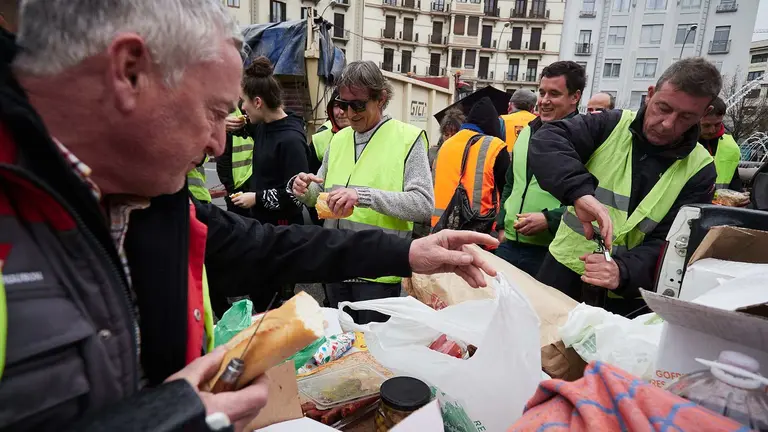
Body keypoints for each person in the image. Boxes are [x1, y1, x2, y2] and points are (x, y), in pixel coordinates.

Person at [0, 1, 500, 430]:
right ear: (129, 71)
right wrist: (169, 415)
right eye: (214, 111)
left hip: (377, 276)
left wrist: (408, 249)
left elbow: (266, 244)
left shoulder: (152, 199)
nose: (219, 141)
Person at [530, 57, 719, 317]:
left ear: (704, 113)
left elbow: (676, 244)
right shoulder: (611, 125)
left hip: (626, 296)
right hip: (563, 273)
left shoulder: (701, 169)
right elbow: (548, 141)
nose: (667, 124)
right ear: (650, 95)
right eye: (663, 108)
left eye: (686, 117)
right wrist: (579, 193)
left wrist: (624, 270)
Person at [292, 60, 434, 324]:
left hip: (377, 274)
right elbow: (320, 195)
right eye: (344, 104)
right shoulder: (339, 139)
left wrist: (363, 196)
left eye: (358, 105)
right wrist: (303, 189)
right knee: (343, 352)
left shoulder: (407, 139)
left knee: (373, 358)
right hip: (335, 266)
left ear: (380, 98)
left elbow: (423, 204)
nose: (350, 113)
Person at [495, 61, 585, 276]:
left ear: (575, 97)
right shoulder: (527, 132)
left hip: (551, 251)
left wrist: (548, 220)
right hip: (510, 244)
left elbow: (595, 199)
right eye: (542, 92)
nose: (544, 101)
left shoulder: (585, 139)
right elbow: (511, 182)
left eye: (554, 94)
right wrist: (501, 224)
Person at [230, 57, 309, 227]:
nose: (242, 107)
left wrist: (255, 198)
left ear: (258, 102)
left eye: (244, 101)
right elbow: (241, 128)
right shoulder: (263, 125)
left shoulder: (291, 140)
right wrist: (228, 125)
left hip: (284, 231)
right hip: (262, 224)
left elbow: (296, 197)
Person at [431, 97, 508, 230]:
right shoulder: (494, 147)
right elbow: (507, 190)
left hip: (440, 228)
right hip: (478, 231)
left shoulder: (445, 145)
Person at [216, 103, 255, 217]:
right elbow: (223, 156)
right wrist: (230, 187)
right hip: (237, 187)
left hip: (256, 184)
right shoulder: (227, 112)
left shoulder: (254, 112)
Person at [699, 96, 742, 191]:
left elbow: (734, 180)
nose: (712, 130)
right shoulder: (682, 142)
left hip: (719, 203)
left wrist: (739, 196)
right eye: (706, 125)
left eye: (717, 124)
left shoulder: (730, 146)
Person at [309, 88, 350, 174]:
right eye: (336, 105)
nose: (341, 111)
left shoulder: (369, 134)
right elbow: (310, 178)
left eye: (345, 106)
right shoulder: (320, 138)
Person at [499, 88, 538, 153]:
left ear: (510, 105)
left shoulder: (502, 120)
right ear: (532, 108)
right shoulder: (539, 122)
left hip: (506, 161)